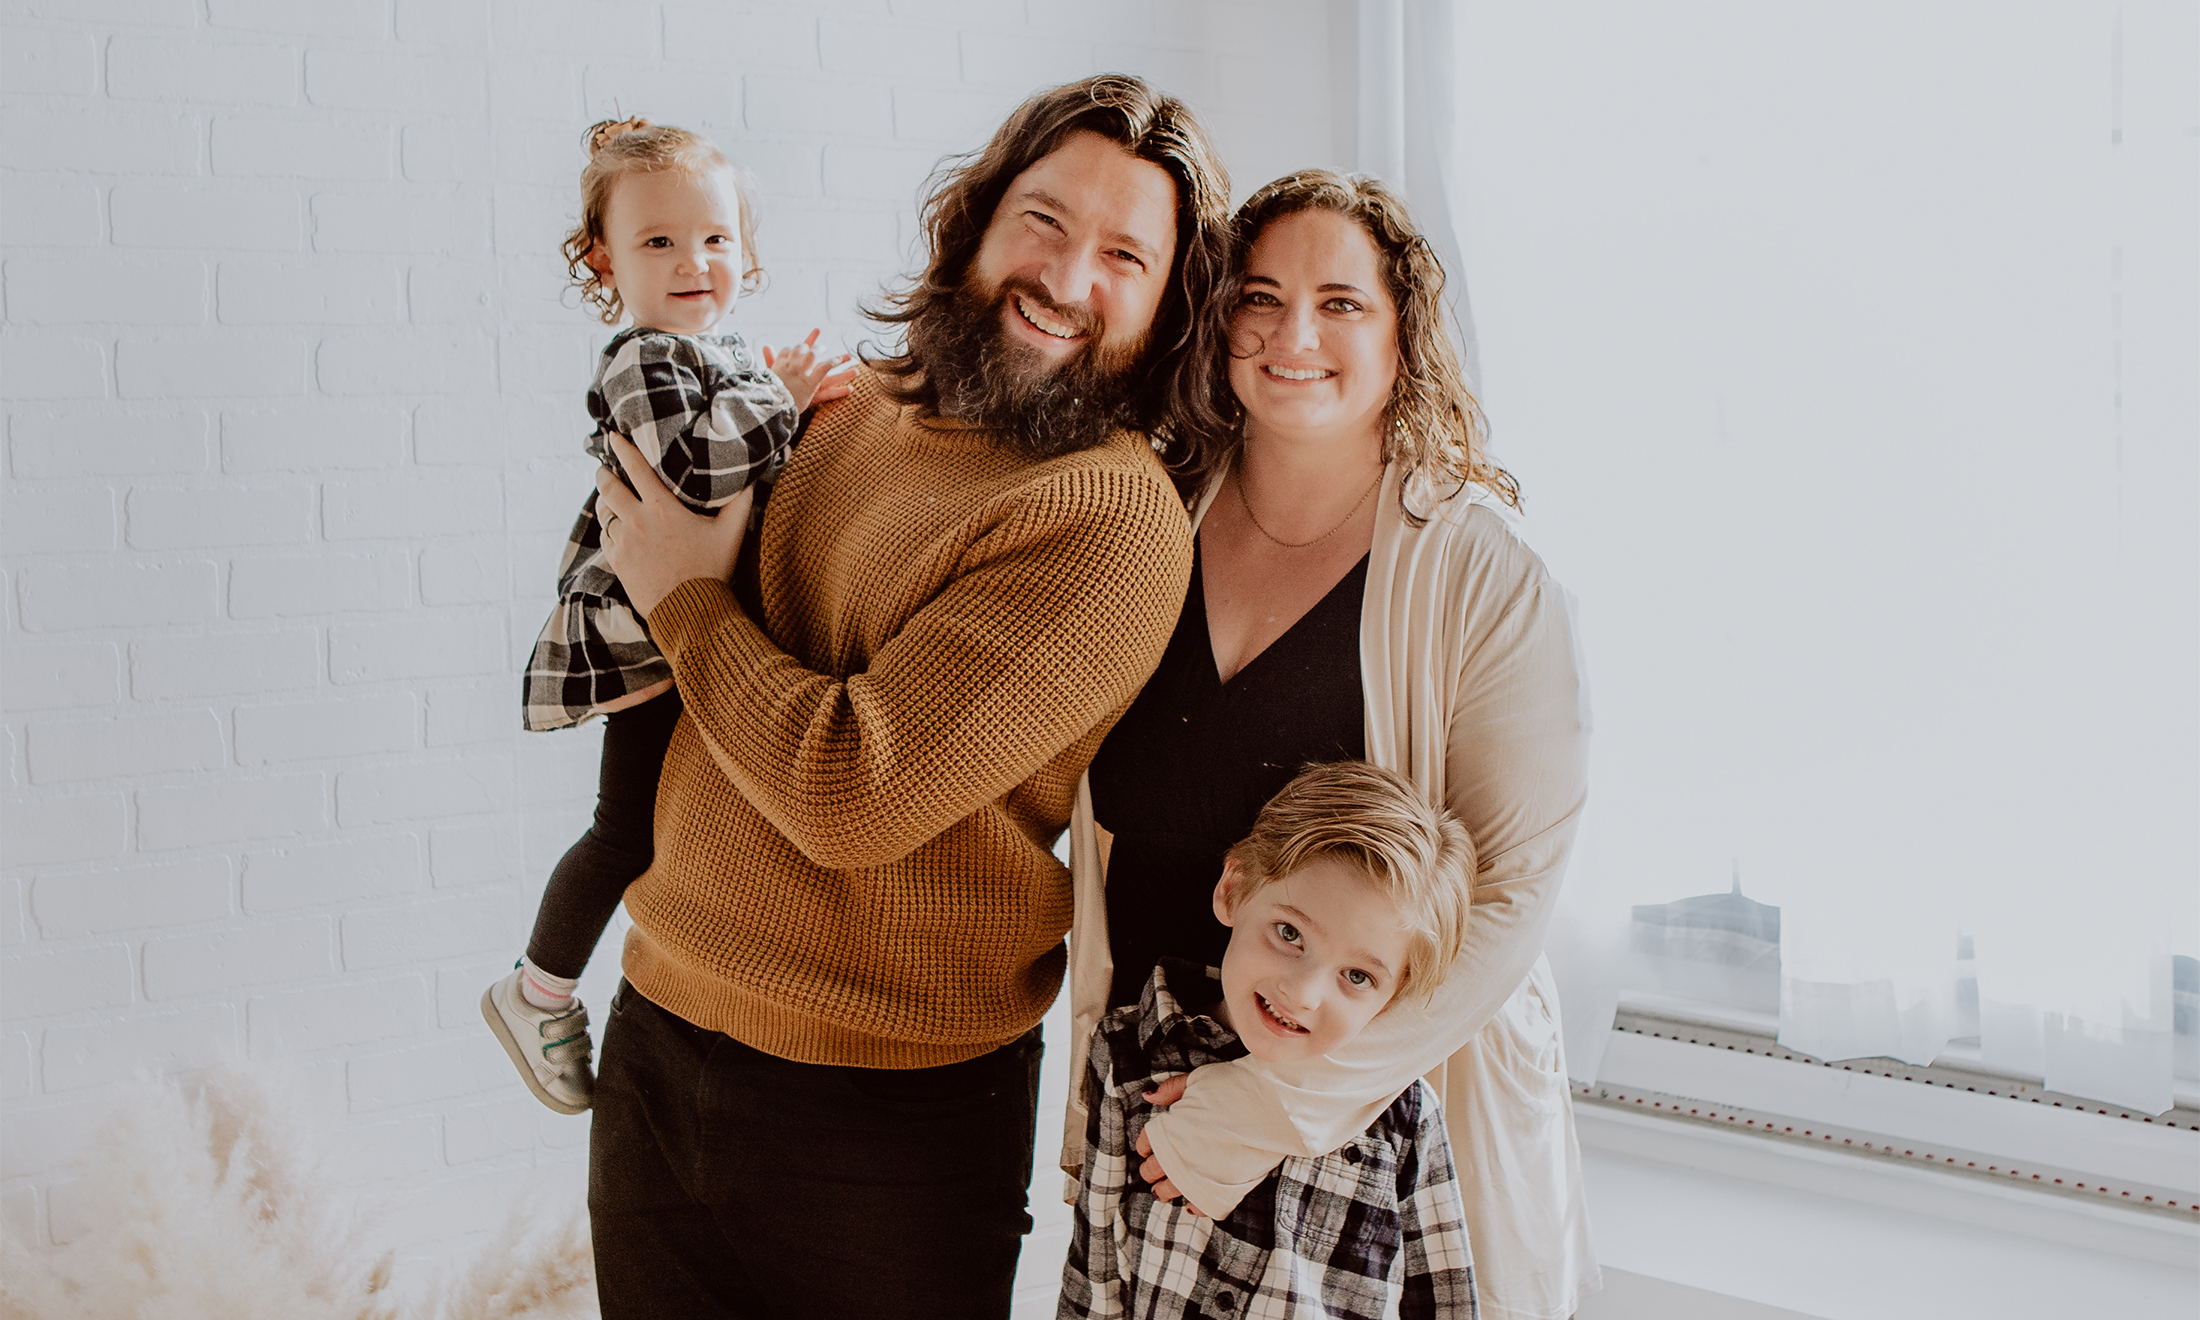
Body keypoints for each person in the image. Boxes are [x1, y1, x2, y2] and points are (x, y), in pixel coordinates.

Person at [580, 75, 1233, 1318]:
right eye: (1043, 221)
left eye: (1122, 256)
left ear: (1168, 308)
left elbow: (851, 791)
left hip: (881, 1121)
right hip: (661, 1026)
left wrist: (681, 596)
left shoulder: (1107, 517)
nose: (1064, 277)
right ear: (978, 221)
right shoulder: (850, 411)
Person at [1066, 171, 1599, 1320]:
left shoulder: (1481, 576)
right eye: (1259, 296)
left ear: (1403, 337)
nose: (1292, 334)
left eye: (1341, 303)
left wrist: (1271, 1109)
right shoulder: (1148, 519)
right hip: (1157, 1111)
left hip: (1369, 1137)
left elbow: (1505, 904)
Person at [481, 118, 853, 1116]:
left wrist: (797, 404)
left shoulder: (720, 354)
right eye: (658, 243)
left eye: (716, 239)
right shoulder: (639, 359)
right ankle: (537, 990)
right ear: (603, 259)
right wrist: (779, 397)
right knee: (625, 833)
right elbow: (695, 472)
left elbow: (750, 469)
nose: (694, 262)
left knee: (687, 825)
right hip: (647, 642)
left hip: (698, 640)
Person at [1062, 760, 1480, 1320]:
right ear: (1234, 891)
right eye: (1290, 934)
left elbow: (1445, 1301)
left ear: (1395, 994)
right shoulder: (1126, 1053)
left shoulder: (1403, 1111)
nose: (1304, 993)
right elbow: (1095, 1274)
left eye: (1357, 977)